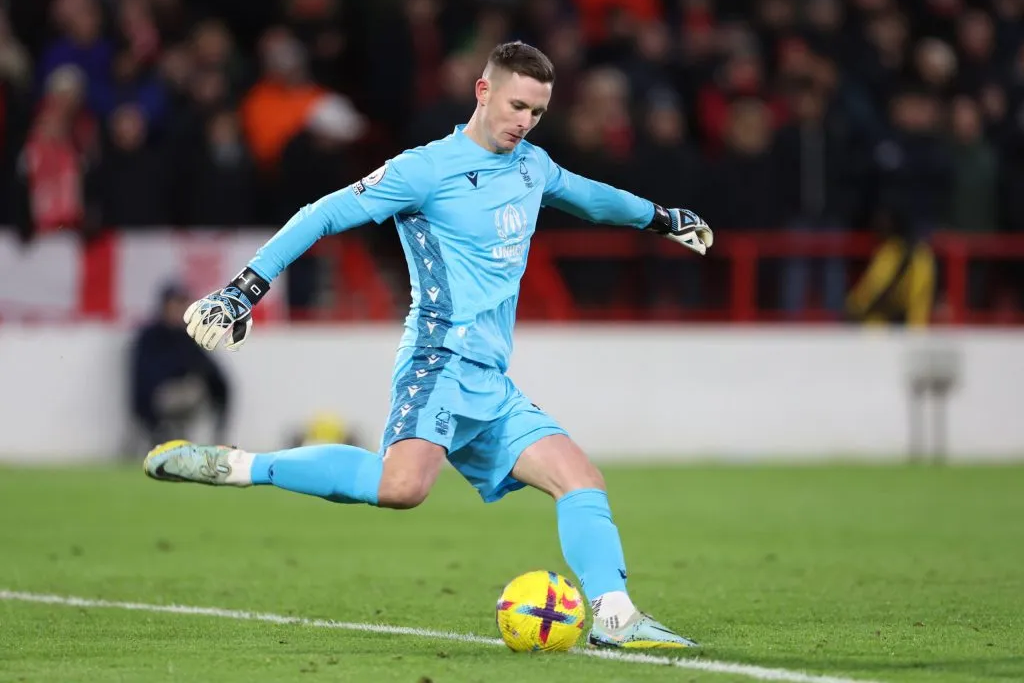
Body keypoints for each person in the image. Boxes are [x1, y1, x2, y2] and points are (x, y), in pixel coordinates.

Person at [143, 42, 712, 649]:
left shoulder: (532, 166)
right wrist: (243, 289)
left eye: (538, 112)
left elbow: (592, 196)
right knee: (402, 488)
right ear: (483, 91)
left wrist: (663, 218)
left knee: (581, 480)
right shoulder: (425, 169)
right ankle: (239, 466)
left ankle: (617, 620)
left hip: (490, 378)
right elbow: (322, 214)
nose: (525, 122)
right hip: (438, 360)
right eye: (518, 105)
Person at [130, 282, 230, 454]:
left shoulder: (188, 337)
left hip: (184, 398)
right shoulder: (150, 337)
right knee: (188, 391)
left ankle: (176, 441)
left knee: (195, 388)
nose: (179, 309)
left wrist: (220, 413)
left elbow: (215, 375)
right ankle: (164, 438)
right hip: (157, 399)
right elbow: (143, 380)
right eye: (176, 304)